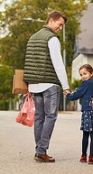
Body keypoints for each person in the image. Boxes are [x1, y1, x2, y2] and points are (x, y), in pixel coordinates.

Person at [23, 10, 70, 163]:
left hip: (34, 85)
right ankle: (41, 150)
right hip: (49, 84)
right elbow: (58, 64)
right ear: (51, 20)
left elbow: (29, 63)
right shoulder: (52, 39)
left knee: (39, 118)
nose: (60, 28)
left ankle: (39, 150)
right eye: (60, 24)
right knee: (50, 116)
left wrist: (28, 86)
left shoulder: (32, 38)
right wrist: (65, 86)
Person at [64, 64, 93, 165]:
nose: (83, 76)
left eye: (85, 74)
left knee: (86, 134)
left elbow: (77, 94)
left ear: (91, 73)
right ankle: (91, 157)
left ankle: (83, 156)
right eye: (81, 74)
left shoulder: (86, 84)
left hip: (88, 112)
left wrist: (68, 95)